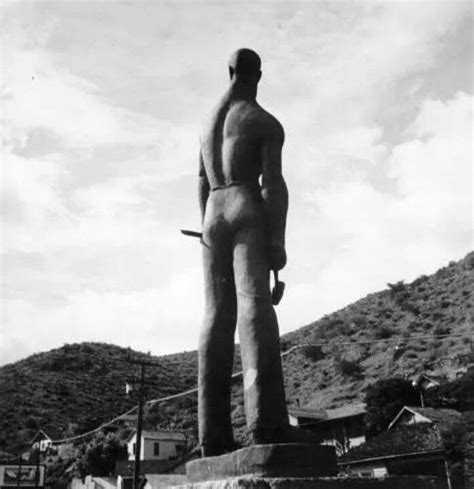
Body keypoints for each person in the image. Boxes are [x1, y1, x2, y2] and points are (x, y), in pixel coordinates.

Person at [197, 48, 316, 457]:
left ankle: (212, 436)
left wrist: (206, 231)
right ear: (258, 75)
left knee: (215, 315)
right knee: (255, 306)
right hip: (246, 206)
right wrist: (277, 240)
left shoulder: (206, 123)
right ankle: (266, 422)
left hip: (213, 212)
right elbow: (273, 185)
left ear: (229, 70)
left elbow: (201, 181)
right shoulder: (266, 123)